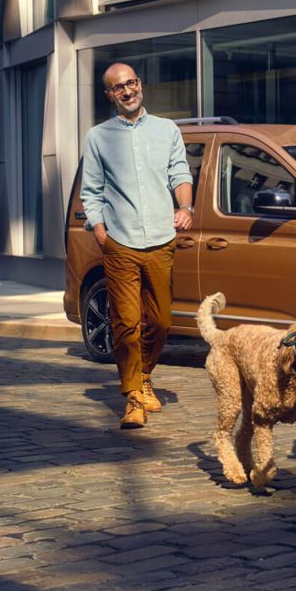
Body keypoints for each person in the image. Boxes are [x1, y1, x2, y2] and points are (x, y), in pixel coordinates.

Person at [81, 63, 194, 429]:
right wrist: (100, 231)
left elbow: (180, 172)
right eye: (119, 87)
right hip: (120, 241)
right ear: (109, 95)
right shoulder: (98, 137)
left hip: (161, 239)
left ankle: (145, 374)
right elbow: (92, 191)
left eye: (131, 83)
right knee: (126, 322)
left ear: (140, 84)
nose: (127, 91)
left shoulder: (167, 130)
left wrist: (186, 207)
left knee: (160, 320)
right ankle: (132, 397)